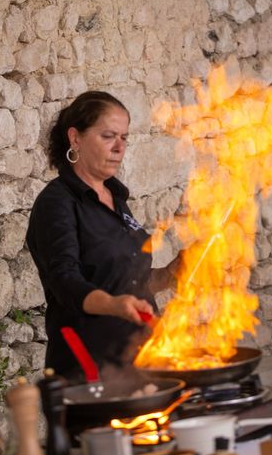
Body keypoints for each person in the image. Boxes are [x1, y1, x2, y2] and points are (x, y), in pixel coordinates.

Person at [27, 91, 178, 382]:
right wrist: (113, 305)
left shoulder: (116, 197)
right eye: (109, 136)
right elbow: (65, 281)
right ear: (75, 138)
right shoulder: (57, 203)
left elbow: (126, 280)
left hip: (143, 360)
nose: (119, 147)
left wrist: (169, 275)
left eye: (124, 138)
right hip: (89, 367)